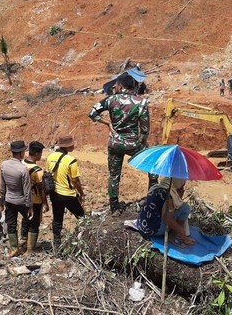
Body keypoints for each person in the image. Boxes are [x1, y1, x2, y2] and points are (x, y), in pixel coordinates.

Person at [89, 73, 150, 213]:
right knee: (152, 168)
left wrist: (107, 123)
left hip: (115, 144)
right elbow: (145, 129)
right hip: (133, 144)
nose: (114, 87)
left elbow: (92, 112)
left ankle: (114, 205)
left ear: (120, 86)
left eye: (115, 85)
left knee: (114, 175)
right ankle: (151, 197)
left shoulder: (110, 100)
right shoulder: (141, 102)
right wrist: (143, 143)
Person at [46, 135, 85, 249]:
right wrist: (81, 194)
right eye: (72, 144)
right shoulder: (71, 160)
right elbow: (75, 180)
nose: (73, 146)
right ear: (68, 147)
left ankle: (57, 243)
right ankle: (84, 239)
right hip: (68, 195)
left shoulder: (50, 157)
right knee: (82, 217)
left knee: (57, 219)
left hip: (55, 194)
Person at [134, 177, 194, 245]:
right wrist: (183, 235)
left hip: (141, 225)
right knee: (186, 208)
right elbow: (168, 219)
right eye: (183, 182)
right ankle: (174, 234)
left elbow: (176, 204)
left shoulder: (155, 187)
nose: (183, 184)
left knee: (179, 208)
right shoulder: (169, 195)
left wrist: (179, 192)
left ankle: (176, 231)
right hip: (153, 230)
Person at [0, 140, 33, 257]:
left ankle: (14, 248)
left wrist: (1, 199)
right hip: (21, 201)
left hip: (9, 200)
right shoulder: (23, 169)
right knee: (30, 220)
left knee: (11, 224)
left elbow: (2, 184)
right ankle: (27, 243)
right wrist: (29, 206)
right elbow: (27, 190)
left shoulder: (4, 165)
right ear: (21, 153)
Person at [20, 141, 48, 253]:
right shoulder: (38, 171)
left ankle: (23, 242)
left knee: (25, 220)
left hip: (23, 199)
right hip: (35, 200)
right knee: (34, 223)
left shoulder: (22, 164)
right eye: (41, 153)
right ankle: (30, 249)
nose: (41, 155)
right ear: (37, 154)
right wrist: (45, 202)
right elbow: (42, 189)